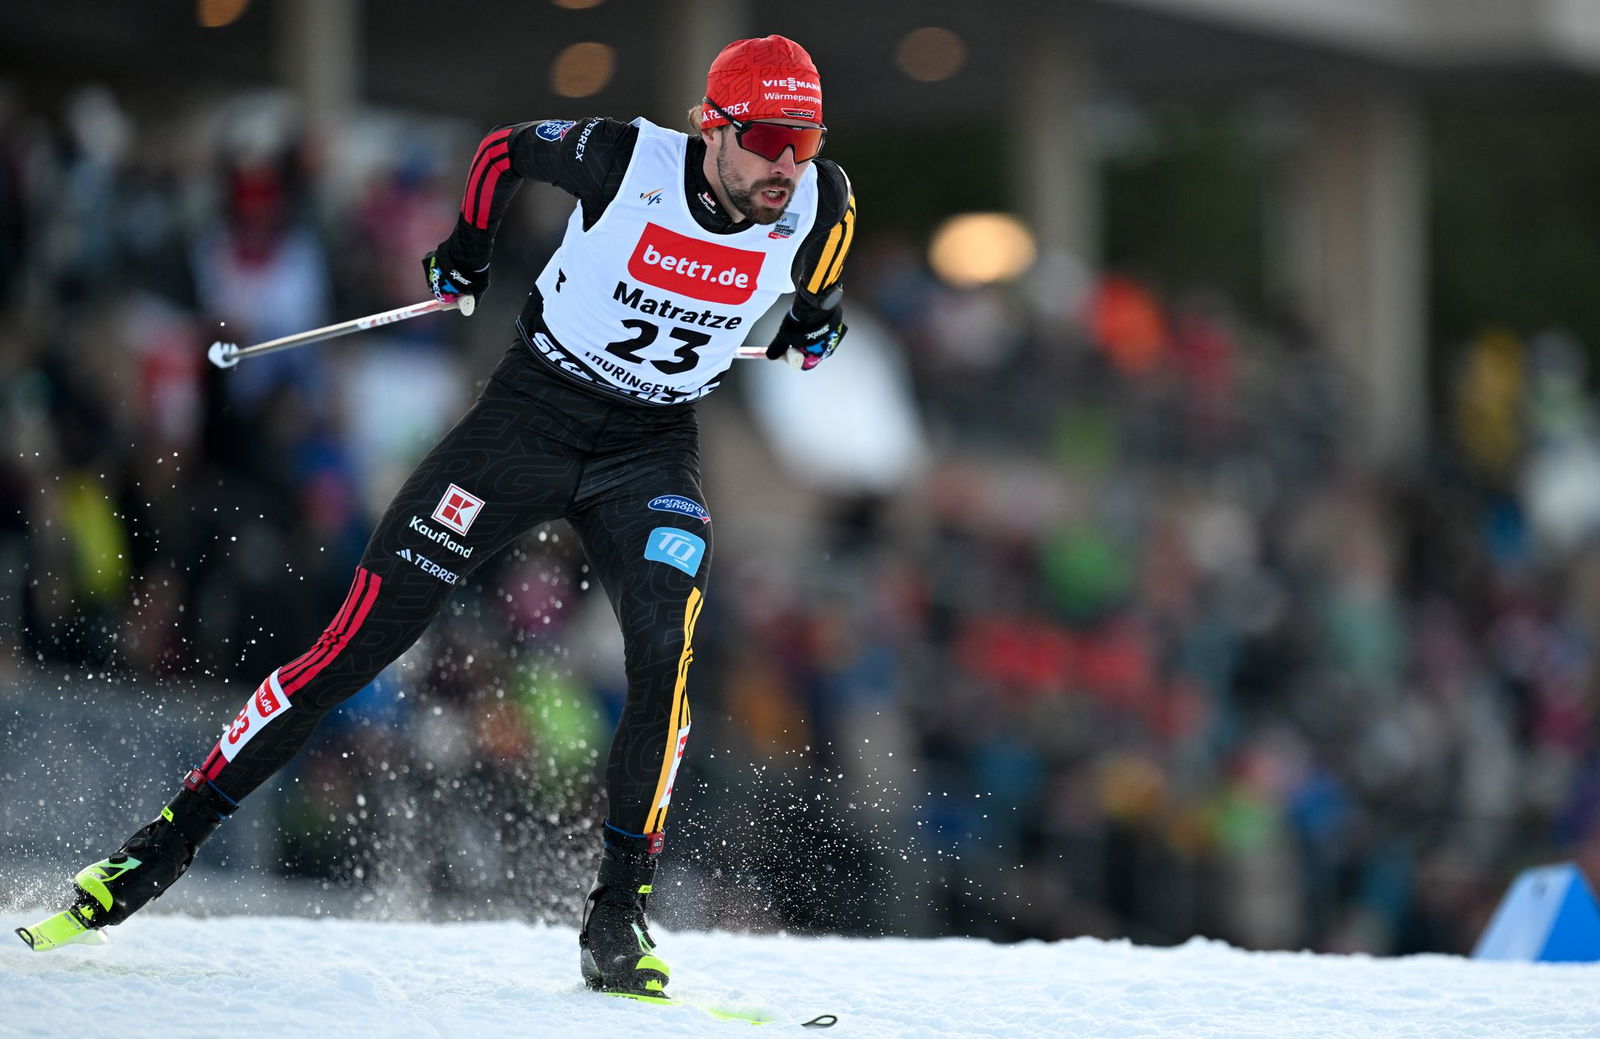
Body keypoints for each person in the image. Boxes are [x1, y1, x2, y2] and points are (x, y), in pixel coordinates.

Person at [30, 35, 854, 1001]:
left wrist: (815, 329)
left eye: (803, 141)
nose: (784, 165)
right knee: (355, 645)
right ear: (710, 127)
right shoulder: (624, 157)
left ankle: (618, 914)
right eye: (764, 139)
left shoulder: (819, 200)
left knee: (664, 653)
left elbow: (817, 296)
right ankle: (156, 852)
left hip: (649, 451)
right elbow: (504, 152)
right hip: (528, 419)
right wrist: (465, 255)